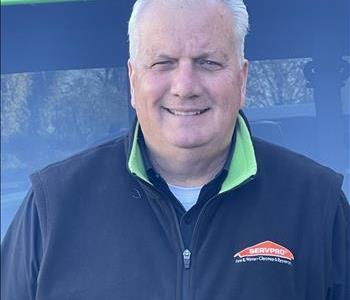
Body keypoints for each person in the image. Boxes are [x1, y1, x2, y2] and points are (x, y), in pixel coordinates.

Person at [1, 0, 349, 299]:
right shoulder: (51, 207)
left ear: (242, 80)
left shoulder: (318, 203)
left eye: (208, 62)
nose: (185, 86)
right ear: (133, 81)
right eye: (163, 62)